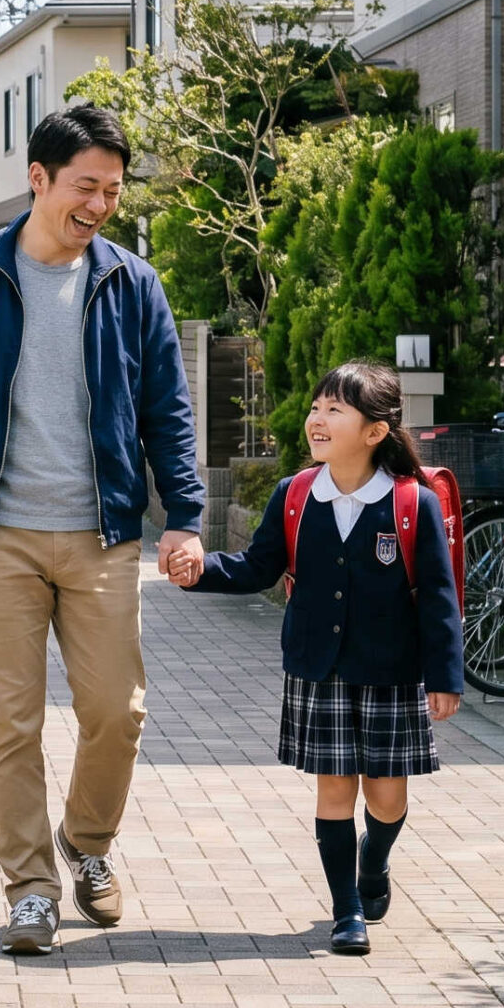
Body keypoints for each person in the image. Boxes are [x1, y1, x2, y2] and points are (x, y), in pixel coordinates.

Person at [0, 103, 208, 955]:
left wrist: (183, 515)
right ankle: (31, 887)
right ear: (38, 179)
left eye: (112, 189)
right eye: (86, 186)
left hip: (102, 531)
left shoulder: (132, 282)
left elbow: (167, 412)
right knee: (12, 722)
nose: (101, 203)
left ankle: (86, 843)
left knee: (117, 710)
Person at [163, 362, 461, 956]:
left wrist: (444, 676)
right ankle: (346, 909)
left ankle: (374, 860)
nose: (317, 420)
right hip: (317, 669)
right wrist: (200, 572)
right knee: (333, 792)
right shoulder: (296, 494)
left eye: (334, 410)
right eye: (316, 407)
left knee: (386, 796)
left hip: (391, 671)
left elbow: (438, 595)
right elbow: (258, 566)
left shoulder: (411, 503)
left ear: (375, 431)